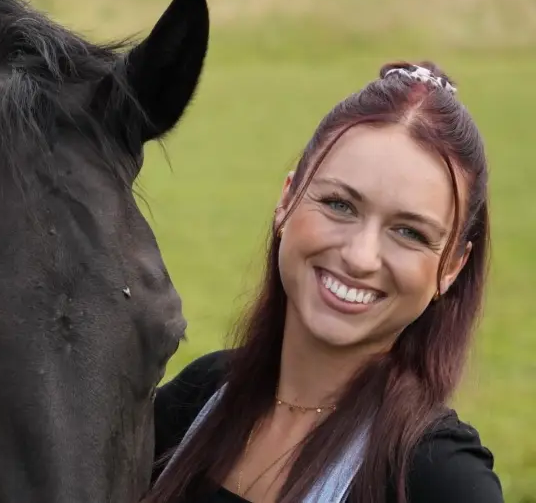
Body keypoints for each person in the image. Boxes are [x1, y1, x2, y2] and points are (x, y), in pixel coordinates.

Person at [146, 61, 502, 503]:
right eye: (339, 204)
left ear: (451, 267)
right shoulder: (195, 401)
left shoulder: (439, 481)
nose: (360, 256)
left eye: (410, 232)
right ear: (287, 199)